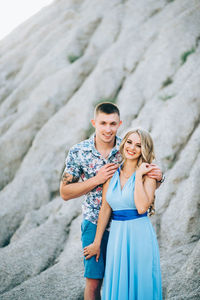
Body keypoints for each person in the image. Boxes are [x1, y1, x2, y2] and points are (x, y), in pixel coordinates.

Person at [60, 103, 163, 300]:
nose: (108, 129)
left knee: (132, 278)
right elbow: (65, 192)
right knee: (93, 280)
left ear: (119, 124)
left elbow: (144, 181)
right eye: (103, 123)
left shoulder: (124, 146)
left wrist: (157, 178)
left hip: (124, 226)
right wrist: (96, 180)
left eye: (113, 124)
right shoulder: (79, 151)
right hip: (94, 221)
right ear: (94, 123)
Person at [84, 128, 162, 300]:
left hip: (139, 235)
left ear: (144, 149)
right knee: (118, 282)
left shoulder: (148, 175)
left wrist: (140, 174)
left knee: (140, 283)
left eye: (138, 145)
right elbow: (105, 208)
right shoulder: (111, 174)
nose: (132, 148)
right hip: (117, 237)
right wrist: (97, 242)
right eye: (129, 142)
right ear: (123, 143)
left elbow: (142, 207)